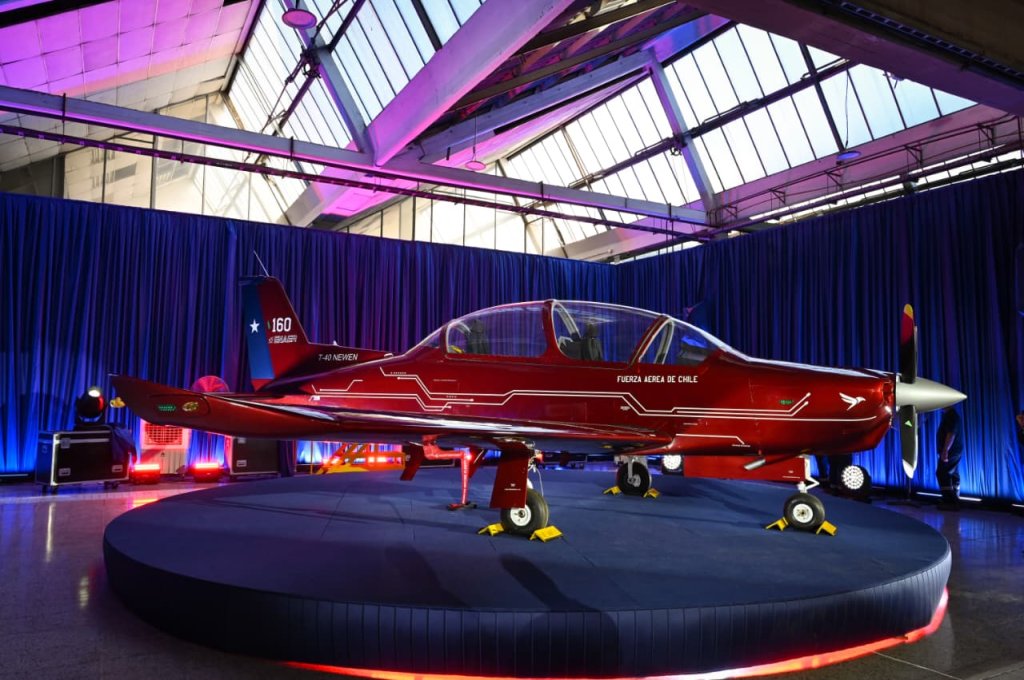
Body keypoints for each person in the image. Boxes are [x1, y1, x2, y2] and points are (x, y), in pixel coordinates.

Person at [936, 405, 964, 510]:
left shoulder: (951, 416)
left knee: (942, 473)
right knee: (953, 474)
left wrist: (945, 450)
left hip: (951, 451)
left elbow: (951, 433)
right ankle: (954, 499)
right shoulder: (952, 416)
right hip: (955, 450)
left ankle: (950, 501)